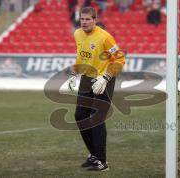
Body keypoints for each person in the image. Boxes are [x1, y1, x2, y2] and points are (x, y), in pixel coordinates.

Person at [67, 6, 125, 171]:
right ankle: (94, 155)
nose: (84, 22)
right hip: (87, 78)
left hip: (104, 79)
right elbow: (81, 55)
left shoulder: (105, 37)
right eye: (82, 19)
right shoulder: (77, 33)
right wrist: (75, 73)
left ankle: (103, 162)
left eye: (88, 19)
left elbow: (120, 60)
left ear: (95, 20)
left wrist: (106, 77)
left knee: (96, 119)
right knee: (80, 116)